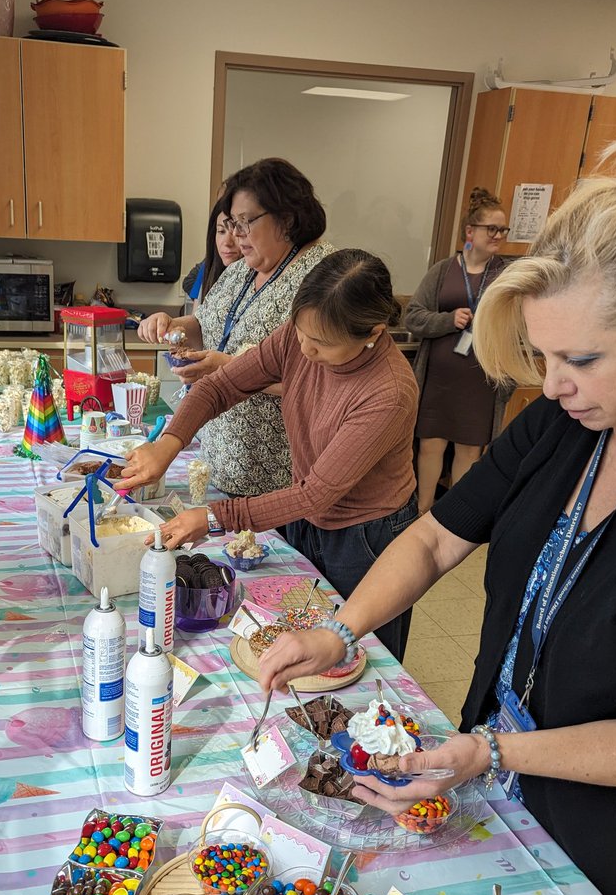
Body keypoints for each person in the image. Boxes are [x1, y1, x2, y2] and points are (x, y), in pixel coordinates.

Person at [258, 127, 616, 895]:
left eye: (582, 361)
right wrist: (339, 632)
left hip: (598, 836)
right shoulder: (563, 427)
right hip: (493, 777)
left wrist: (494, 753)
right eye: (542, 356)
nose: (553, 386)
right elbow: (434, 538)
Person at [120, 249, 419, 661]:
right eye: (300, 333)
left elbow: (316, 494)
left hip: (366, 536)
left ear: (373, 332)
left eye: (321, 344)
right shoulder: (298, 336)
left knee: (359, 655)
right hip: (309, 514)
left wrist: (213, 518)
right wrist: (167, 444)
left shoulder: (389, 392)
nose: (304, 350)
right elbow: (218, 386)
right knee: (298, 632)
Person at [136, 158, 335, 498]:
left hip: (277, 478)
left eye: (245, 223)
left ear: (286, 218)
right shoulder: (242, 269)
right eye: (230, 224)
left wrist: (228, 369)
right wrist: (172, 325)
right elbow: (205, 323)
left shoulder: (321, 277)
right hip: (218, 467)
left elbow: (321, 382)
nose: (235, 236)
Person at [407, 188, 511, 515]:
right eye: (491, 229)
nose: (498, 235)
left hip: (480, 383)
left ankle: (453, 515)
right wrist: (448, 320)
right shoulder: (443, 270)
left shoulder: (506, 274)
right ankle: (423, 511)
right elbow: (413, 315)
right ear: (470, 232)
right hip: (438, 381)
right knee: (430, 446)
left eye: (502, 230)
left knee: (470, 451)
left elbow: (518, 324)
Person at [181, 196, 242, 307]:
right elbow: (196, 319)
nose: (227, 242)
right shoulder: (209, 269)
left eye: (235, 231)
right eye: (221, 231)